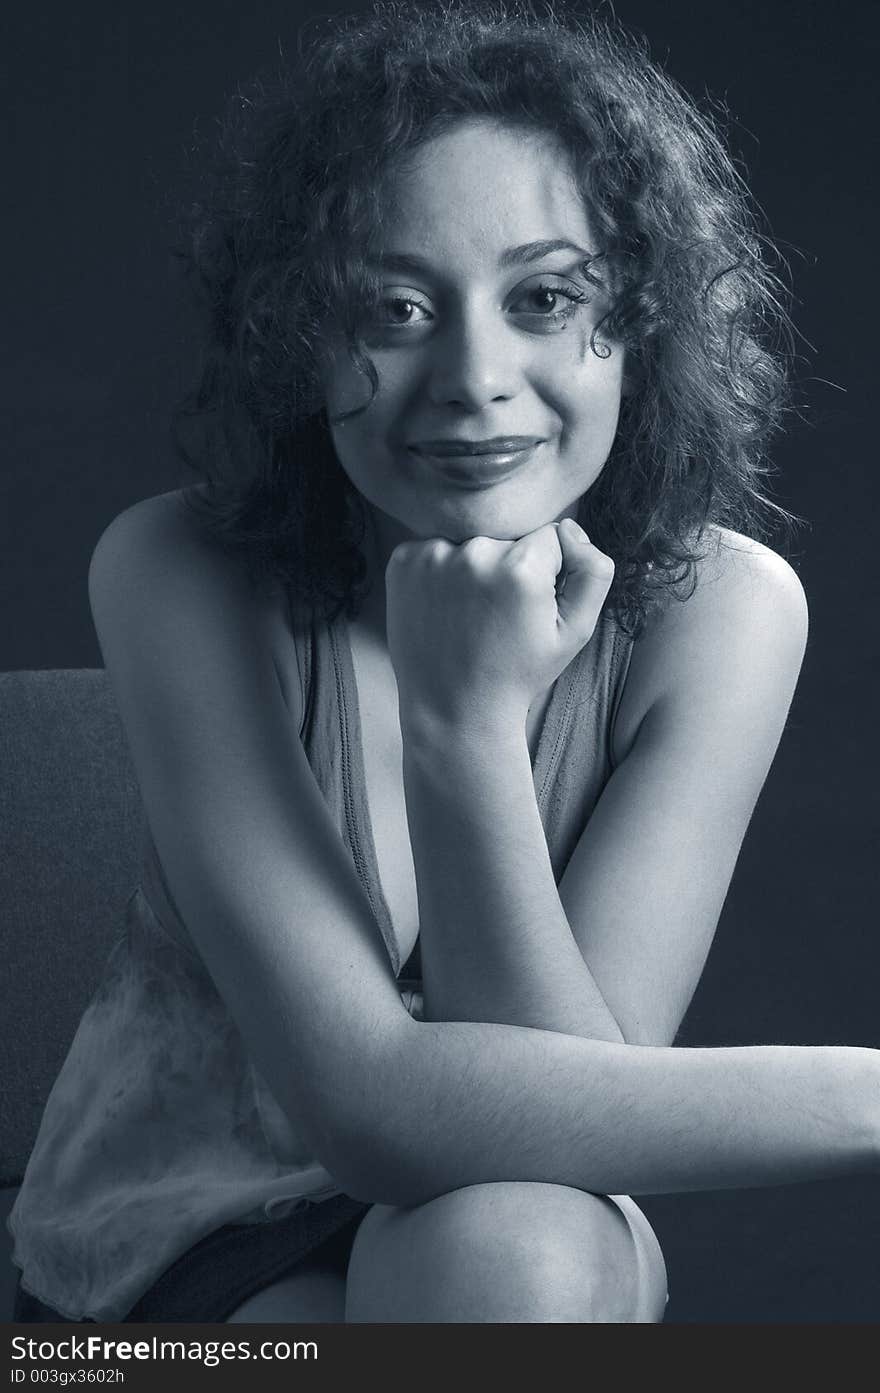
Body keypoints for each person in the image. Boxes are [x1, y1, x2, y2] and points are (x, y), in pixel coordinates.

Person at [9, 0, 878, 1324]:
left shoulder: (728, 608)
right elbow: (370, 1112)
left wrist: (469, 728)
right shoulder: (178, 571)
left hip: (528, 1238)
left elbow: (573, 1110)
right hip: (169, 1285)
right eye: (396, 308)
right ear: (304, 335)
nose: (476, 373)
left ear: (639, 322)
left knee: (516, 1244)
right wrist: (462, 719)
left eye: (545, 298)